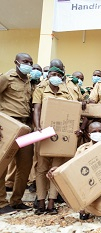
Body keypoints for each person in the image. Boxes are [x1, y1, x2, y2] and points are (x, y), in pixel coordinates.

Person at [47, 122, 101, 220]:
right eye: (94, 131)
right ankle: (86, 208)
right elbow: (73, 168)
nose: (98, 133)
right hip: (91, 189)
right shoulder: (82, 149)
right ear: (89, 134)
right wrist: (58, 169)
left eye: (100, 131)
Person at [32, 66, 83, 215]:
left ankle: (51, 203)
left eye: (59, 75)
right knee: (41, 168)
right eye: (53, 74)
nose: (56, 77)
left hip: (61, 136)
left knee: (56, 170)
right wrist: (37, 126)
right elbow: (36, 109)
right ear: (48, 76)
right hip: (44, 133)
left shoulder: (67, 92)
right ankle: (41, 201)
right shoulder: (41, 89)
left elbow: (72, 111)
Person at [0, 53, 34, 214]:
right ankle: (1, 202)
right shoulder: (6, 78)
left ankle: (16, 200)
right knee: (3, 164)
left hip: (25, 125)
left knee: (25, 164)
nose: (28, 64)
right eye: (25, 61)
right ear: (16, 62)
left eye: (30, 62)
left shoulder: (29, 81)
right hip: (8, 123)